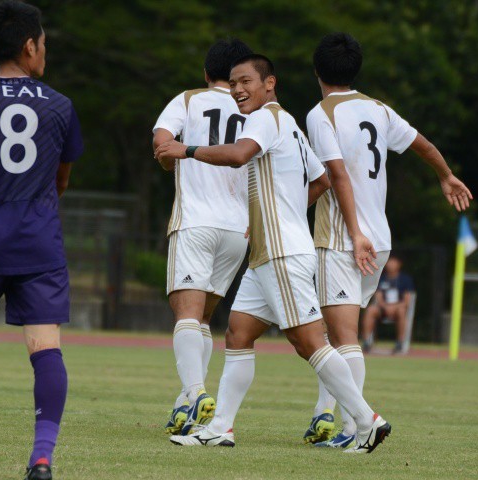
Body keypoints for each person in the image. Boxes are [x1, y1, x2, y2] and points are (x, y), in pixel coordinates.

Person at [155, 54, 391, 453]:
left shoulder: (264, 119)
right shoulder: (291, 124)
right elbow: (319, 180)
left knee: (308, 342)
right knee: (238, 334)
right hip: (268, 253)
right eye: (232, 83)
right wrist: (283, 213)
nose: (237, 90)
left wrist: (185, 150)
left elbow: (237, 155)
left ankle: (367, 420)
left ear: (270, 84)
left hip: (281, 253)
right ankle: (221, 427)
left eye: (246, 81)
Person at [303, 32, 473, 449]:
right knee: (339, 331)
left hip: (345, 238)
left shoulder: (320, 112)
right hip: (379, 239)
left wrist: (354, 232)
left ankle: (355, 427)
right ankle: (327, 415)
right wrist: (445, 175)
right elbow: (423, 145)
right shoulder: (378, 109)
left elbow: (335, 175)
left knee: (341, 337)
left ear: (316, 71)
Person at [0, 1, 83, 479]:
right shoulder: (60, 105)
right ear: (29, 47)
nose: (44, 52)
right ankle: (42, 457)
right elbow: (61, 179)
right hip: (39, 244)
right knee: (45, 348)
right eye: (44, 44)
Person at [152, 39, 253, 437]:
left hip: (196, 221)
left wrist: (167, 156)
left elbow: (162, 141)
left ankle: (195, 392)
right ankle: (186, 400)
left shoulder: (188, 99)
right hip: (238, 229)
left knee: (187, 316)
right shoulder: (253, 110)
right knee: (206, 320)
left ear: (205, 72)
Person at [362, 255, 415, 354]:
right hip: (383, 309)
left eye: (393, 262)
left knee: (402, 310)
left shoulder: (405, 279)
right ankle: (367, 341)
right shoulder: (381, 278)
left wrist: (394, 307)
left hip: (398, 309)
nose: (391, 265)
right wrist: (386, 307)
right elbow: (378, 296)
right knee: (371, 310)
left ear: (399, 264)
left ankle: (400, 342)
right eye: (389, 262)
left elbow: (407, 300)